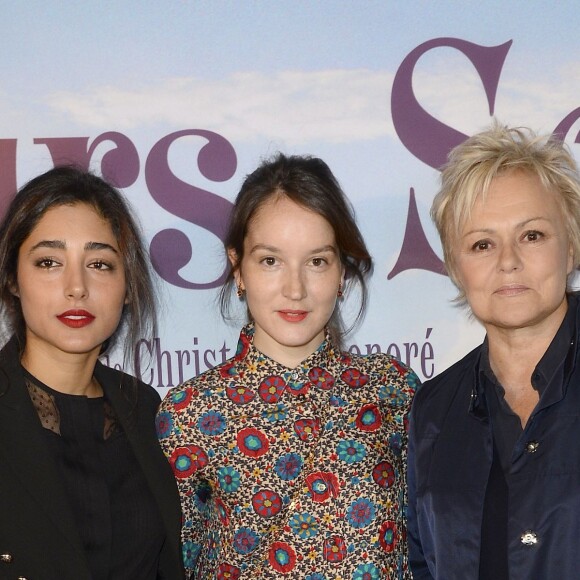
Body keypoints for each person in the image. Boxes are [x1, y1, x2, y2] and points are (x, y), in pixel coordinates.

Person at [157, 153, 418, 578]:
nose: (294, 289)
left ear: (341, 273)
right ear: (237, 268)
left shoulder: (393, 391)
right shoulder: (189, 414)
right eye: (270, 261)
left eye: (316, 261)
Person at [408, 123, 580, 579]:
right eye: (482, 244)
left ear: (572, 248)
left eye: (532, 235)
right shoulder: (432, 410)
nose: (508, 261)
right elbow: (423, 564)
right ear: (456, 268)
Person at [0, 166, 184, 579]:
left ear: (127, 283)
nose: (76, 287)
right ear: (13, 277)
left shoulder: (146, 410)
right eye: (49, 261)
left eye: (99, 264)